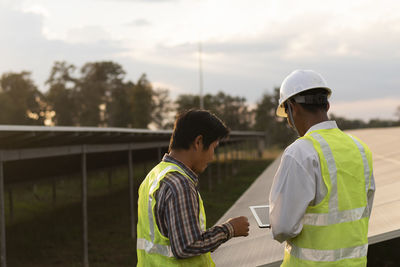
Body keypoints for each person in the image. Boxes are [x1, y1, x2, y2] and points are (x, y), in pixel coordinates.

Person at [269, 70, 375, 266]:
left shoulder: (300, 152)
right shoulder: (361, 149)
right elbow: (363, 210)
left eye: (287, 115)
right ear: (327, 105)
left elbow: (282, 227)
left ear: (292, 108)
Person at [137, 109, 250, 266]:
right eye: (213, 147)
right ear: (198, 142)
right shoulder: (179, 184)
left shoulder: (153, 176)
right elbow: (187, 245)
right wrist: (230, 229)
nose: (212, 156)